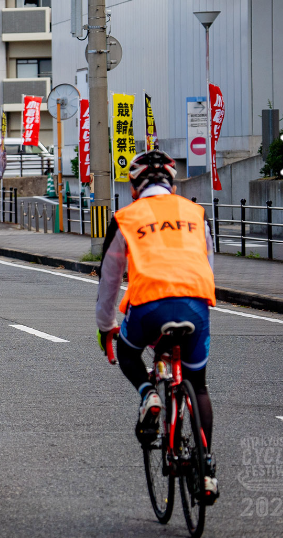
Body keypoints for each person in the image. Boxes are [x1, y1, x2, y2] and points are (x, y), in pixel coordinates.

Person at [96, 150, 219, 503]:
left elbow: (109, 279)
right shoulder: (196, 213)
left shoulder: (126, 217)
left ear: (134, 186)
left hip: (148, 304)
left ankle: (148, 393)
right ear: (172, 182)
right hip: (195, 303)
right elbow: (208, 264)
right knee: (199, 384)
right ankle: (207, 468)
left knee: (129, 350)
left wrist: (106, 326)